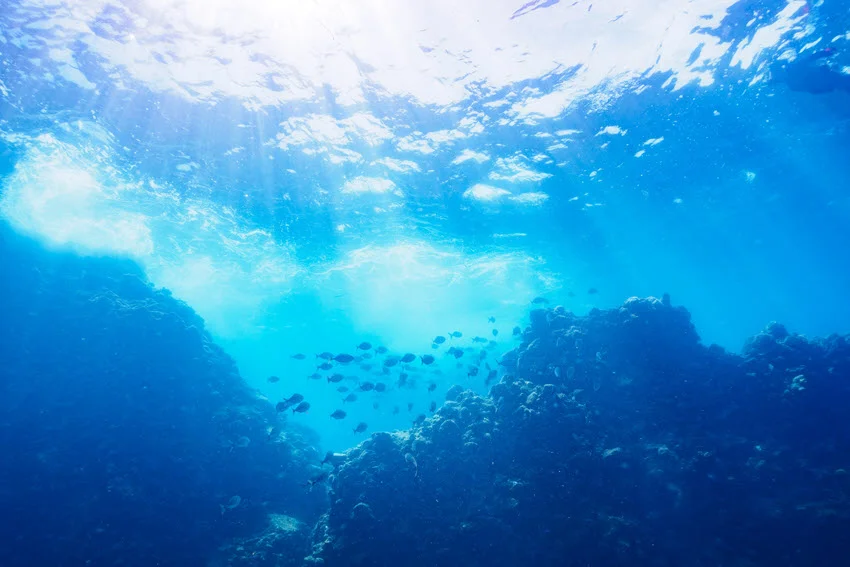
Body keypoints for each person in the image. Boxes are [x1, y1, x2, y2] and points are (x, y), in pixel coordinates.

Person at [770, 47, 850, 94]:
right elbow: (812, 91)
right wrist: (826, 52)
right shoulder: (792, 85)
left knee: (844, 82)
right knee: (844, 83)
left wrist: (826, 52)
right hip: (829, 80)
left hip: (828, 78)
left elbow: (813, 91)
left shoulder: (794, 71)